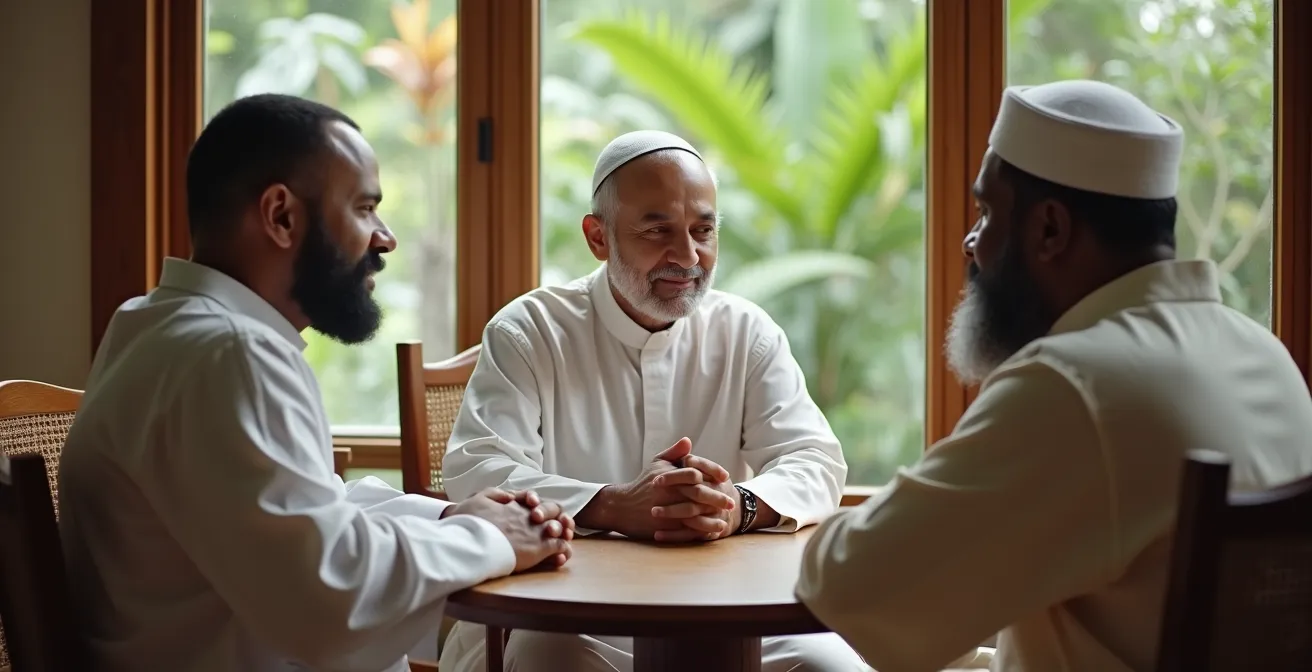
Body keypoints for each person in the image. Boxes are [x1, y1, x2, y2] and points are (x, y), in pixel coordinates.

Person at [795, 79, 1312, 671]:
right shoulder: (1265, 354)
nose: (970, 242)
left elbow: (850, 586)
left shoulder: (1076, 385)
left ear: (1049, 230)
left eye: (987, 213)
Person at [57, 94, 576, 672]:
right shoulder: (232, 354)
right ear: (281, 216)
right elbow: (333, 602)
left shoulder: (155, 326)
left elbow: (299, 517)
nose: (385, 238)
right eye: (363, 208)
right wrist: (496, 541)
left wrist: (451, 520)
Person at [436, 130, 866, 672]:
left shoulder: (746, 332)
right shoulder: (531, 331)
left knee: (832, 666)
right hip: (557, 614)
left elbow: (816, 459)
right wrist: (613, 504)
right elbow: (478, 470)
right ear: (598, 237)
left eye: (703, 231)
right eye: (657, 230)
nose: (687, 256)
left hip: (724, 611)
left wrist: (738, 505)